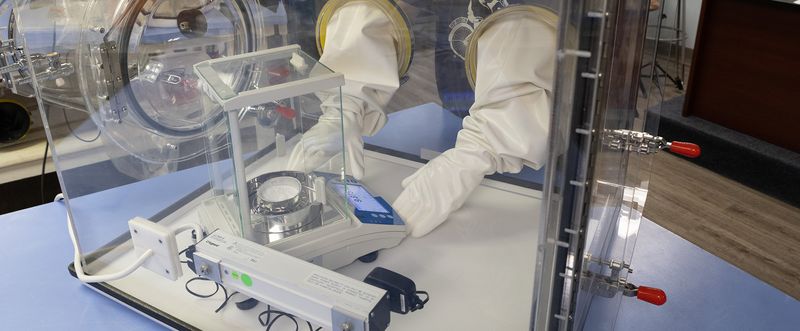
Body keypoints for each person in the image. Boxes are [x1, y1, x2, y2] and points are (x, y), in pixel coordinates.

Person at [289, 0, 558, 237]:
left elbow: (543, 24)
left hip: (546, 118)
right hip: (462, 94)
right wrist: (347, 102)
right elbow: (387, 5)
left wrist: (480, 150)